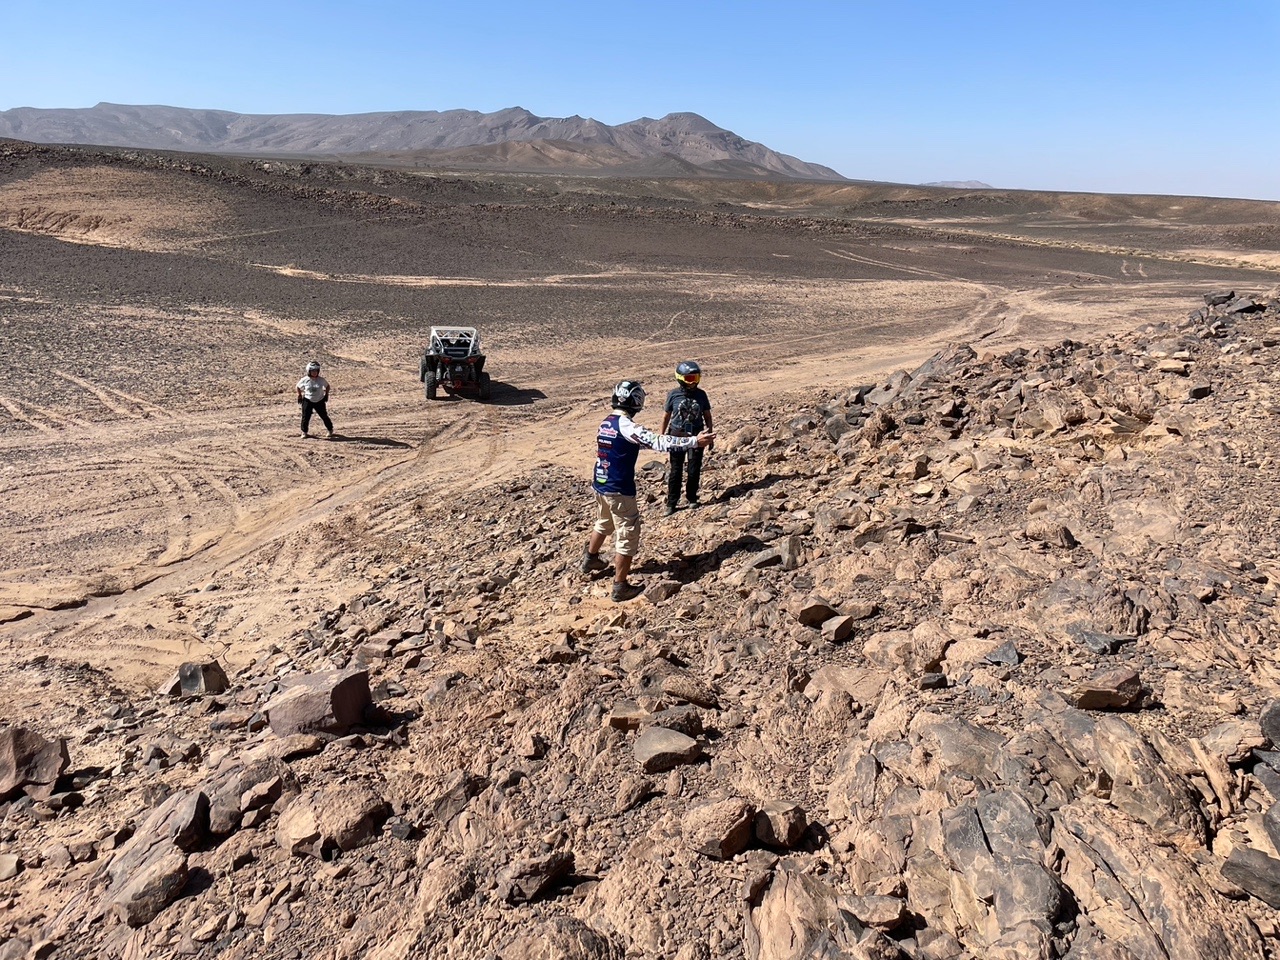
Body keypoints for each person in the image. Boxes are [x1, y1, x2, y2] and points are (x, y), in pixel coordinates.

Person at [582, 380, 715, 602]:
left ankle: (590, 558)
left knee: (604, 521)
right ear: (636, 401)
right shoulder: (627, 426)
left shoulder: (606, 422)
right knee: (627, 532)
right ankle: (620, 586)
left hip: (601, 483)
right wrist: (694, 441)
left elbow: (640, 443)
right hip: (619, 488)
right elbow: (658, 442)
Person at [660, 361, 714, 516]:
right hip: (676, 435)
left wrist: (709, 435)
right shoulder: (673, 395)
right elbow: (666, 417)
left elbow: (707, 416)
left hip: (697, 436)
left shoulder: (701, 395)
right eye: (690, 378)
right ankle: (671, 503)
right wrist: (661, 437)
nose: (693, 382)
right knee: (675, 470)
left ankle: (692, 498)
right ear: (680, 378)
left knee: (694, 469)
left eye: (696, 377)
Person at [296, 361, 334, 439]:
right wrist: (299, 395)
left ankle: (330, 429)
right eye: (313, 371)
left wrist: (326, 394)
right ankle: (304, 432)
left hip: (319, 400)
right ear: (309, 371)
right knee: (305, 417)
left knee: (324, 416)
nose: (314, 372)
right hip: (307, 400)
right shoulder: (305, 380)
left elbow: (327, 386)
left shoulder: (321, 380)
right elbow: (298, 387)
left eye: (316, 370)